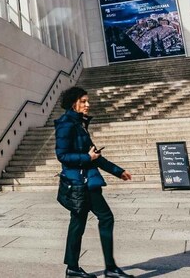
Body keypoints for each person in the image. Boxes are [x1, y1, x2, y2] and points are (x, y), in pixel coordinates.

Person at [55, 86, 134, 278]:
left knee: (78, 223)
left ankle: (73, 269)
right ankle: (110, 268)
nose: (87, 104)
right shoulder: (67, 124)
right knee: (106, 218)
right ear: (73, 103)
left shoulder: (79, 124)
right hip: (82, 182)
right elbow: (62, 155)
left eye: (87, 101)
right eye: (83, 101)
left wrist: (118, 171)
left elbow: (95, 155)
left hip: (84, 180)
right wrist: (86, 158)